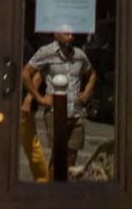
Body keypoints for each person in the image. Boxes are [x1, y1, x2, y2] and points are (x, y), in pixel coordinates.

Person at [21, 28, 96, 179]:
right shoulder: (47, 52)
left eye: (72, 33)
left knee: (71, 157)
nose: (71, 36)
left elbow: (92, 73)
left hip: (76, 112)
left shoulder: (79, 55)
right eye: (67, 33)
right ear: (56, 34)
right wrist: (39, 98)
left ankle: (66, 193)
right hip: (56, 113)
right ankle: (51, 192)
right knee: (58, 156)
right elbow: (27, 74)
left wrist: (87, 91)